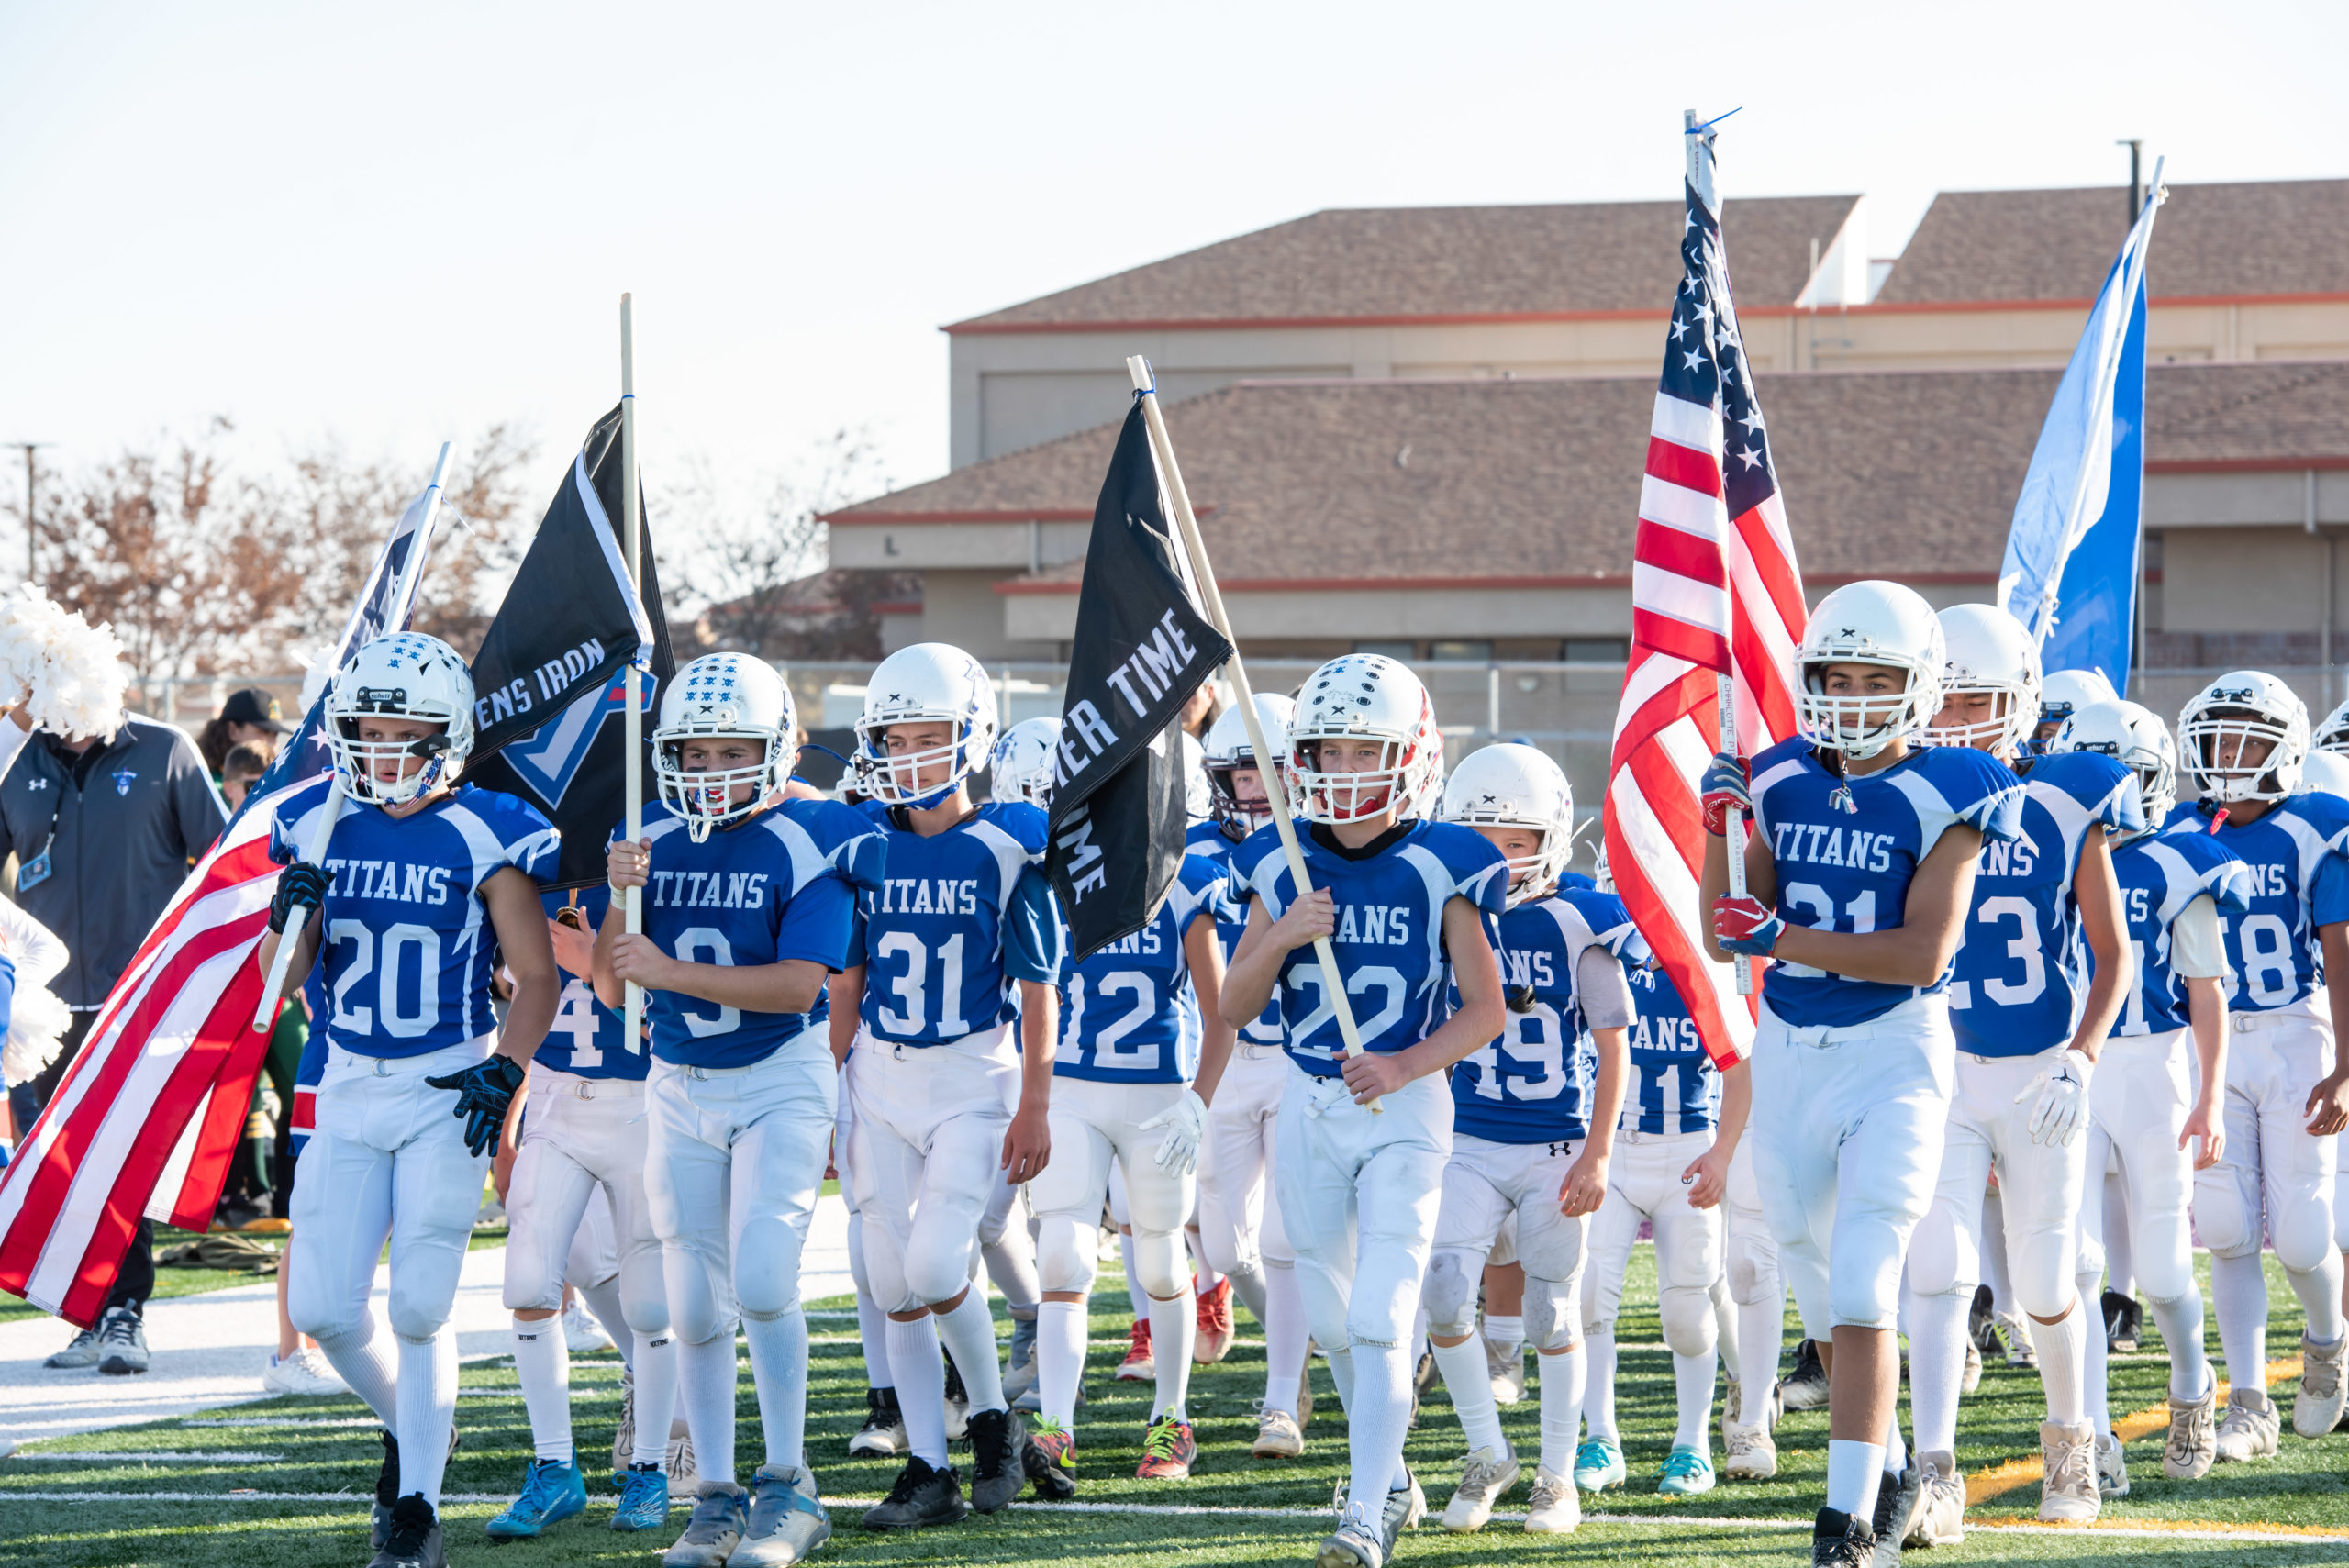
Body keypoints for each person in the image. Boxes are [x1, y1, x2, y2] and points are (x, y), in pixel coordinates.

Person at [1699, 581, 2023, 1568]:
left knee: (1866, 1274)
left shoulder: (1954, 784)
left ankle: (1840, 1527)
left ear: (1919, 685)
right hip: (1791, 1048)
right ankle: (1881, 1472)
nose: (1847, 694)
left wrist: (1781, 932)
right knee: (1809, 1261)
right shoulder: (1781, 775)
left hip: (1894, 1049)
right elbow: (1728, 930)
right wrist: (1716, 826)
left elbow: (1925, 952)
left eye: (1872, 677)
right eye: (1832, 675)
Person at [257, 630, 562, 1568]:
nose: (383, 747)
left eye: (404, 729)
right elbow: (287, 979)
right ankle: (416, 1426)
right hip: (346, 1078)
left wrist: (504, 1069)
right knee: (327, 1307)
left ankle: (418, 1511)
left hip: (445, 1076)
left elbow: (538, 976)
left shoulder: (489, 825)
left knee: (422, 1303)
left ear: (448, 732)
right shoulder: (317, 821)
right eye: (367, 727)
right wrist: (290, 913)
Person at [1219, 654, 1509, 1568]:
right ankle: (1387, 1475)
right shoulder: (1279, 857)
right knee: (1338, 1318)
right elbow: (1232, 1004)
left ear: (1411, 755)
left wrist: (1403, 1062)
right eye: (1327, 752)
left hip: (1404, 1105)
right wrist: (1279, 933)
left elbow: (1486, 1008)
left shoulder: (1442, 858)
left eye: (1362, 751)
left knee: (1384, 1311)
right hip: (1310, 1097)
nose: (1342, 771)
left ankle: (1365, 1512)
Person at [596, 652, 885, 1568]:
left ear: (775, 748)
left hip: (778, 1073)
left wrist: (666, 968)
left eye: (732, 750)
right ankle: (715, 1495)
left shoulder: (816, 832)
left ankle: (791, 1483)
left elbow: (802, 984)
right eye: (696, 750)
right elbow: (610, 985)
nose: (712, 767)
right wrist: (617, 894)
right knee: (692, 1298)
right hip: (679, 1079)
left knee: (762, 1277)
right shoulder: (650, 835)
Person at [1901, 610, 2139, 1542]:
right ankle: (1934, 1468)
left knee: (2045, 1272)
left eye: (1976, 699)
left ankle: (2072, 1437)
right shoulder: (1906, 793)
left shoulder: (2068, 797)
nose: (1957, 719)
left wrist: (2082, 1057)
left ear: (2023, 705)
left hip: (2041, 1065)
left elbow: (2112, 952)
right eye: (1944, 697)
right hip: (1938, 1063)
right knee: (1938, 1268)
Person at [837, 642, 1068, 1530]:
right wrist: (828, 1086)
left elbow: (1040, 983)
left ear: (970, 734)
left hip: (974, 1073)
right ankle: (928, 1466)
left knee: (937, 1262)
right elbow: (847, 980)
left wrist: (1037, 1097)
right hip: (878, 1073)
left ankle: (990, 1421)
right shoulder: (863, 841)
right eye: (895, 737)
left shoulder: (1007, 844)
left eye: (930, 734)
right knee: (892, 1280)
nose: (910, 754)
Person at [997, 717, 1239, 1485]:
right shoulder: (1052, 871)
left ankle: (1172, 1418)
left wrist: (1199, 1101)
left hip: (1158, 1092)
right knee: (1064, 1253)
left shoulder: (1186, 877)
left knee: (1164, 1260)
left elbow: (1223, 1005)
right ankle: (1055, 1428)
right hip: (1070, 1084)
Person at [1413, 742, 1627, 1537]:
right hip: (1467, 1137)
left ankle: (1557, 1475)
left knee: (1550, 1314)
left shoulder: (1577, 919)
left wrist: (1599, 1152)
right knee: (1441, 1289)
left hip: (1554, 1145)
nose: (1499, 859)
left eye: (1516, 840)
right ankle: (1487, 1450)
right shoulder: (1444, 910)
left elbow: (1614, 1047)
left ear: (1552, 837)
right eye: (1481, 840)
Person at [0, 676, 227, 1375]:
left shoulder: (165, 749)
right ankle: (93, 1311)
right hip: (40, 1009)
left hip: (142, 996)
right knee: (55, 1160)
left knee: (123, 1156)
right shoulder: (16, 760)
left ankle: (125, 1309)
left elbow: (221, 863)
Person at [2048, 699, 2240, 1491]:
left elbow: (2206, 990)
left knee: (2161, 1272)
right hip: (2074, 1063)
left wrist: (2213, 1096)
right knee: (2077, 1263)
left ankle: (2193, 1385)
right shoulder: (2048, 849)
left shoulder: (2178, 860)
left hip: (2155, 1066)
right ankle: (2091, 1435)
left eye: (2125, 779)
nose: (2110, 798)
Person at [2167, 672, 2349, 1462]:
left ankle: (2327, 1341)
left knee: (2307, 1234)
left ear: (2288, 747)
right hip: (2211, 1038)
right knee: (2229, 1229)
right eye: (2217, 736)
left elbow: (2340, 960)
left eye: (2246, 737)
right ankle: (2249, 1401)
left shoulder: (2318, 825)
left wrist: (2346, 1066)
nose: (2227, 752)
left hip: (2293, 1029)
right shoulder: (2180, 825)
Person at [484, 874, 678, 1541]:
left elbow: (673, 1006)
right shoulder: (521, 882)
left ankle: (651, 1466)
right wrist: (509, 1124)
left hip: (642, 1098)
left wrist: (595, 957)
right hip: (558, 1100)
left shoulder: (644, 878)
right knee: (529, 1282)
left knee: (651, 1299)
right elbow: (512, 1012)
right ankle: (554, 1465)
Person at [1576, 926, 1745, 1505]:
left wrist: (1723, 1153)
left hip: (1686, 1148)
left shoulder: (1706, 966)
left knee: (1685, 1309)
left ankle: (1693, 1441)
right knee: (1590, 1295)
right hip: (1614, 1150)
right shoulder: (1597, 961)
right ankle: (1599, 1437)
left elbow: (1742, 1070)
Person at [1190, 695, 1319, 1458]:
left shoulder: (1316, 847)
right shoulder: (1198, 849)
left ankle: (1281, 1398)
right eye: (1243, 774)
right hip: (1225, 1059)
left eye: (1271, 770)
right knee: (1227, 1245)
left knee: (1281, 1237)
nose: (1256, 788)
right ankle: (1299, 1344)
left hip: (1294, 1057)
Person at [197, 684, 295, 777]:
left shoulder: (278, 779)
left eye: (275, 735)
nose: (273, 743)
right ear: (233, 731)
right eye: (263, 732)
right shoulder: (203, 779)